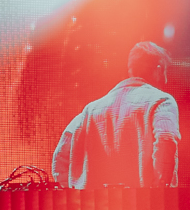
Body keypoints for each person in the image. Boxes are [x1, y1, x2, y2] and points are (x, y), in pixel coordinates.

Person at [50, 41, 181, 189]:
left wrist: (72, 193)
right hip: (143, 201)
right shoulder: (161, 101)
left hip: (94, 203)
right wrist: (160, 190)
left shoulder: (91, 110)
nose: (165, 79)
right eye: (165, 72)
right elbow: (166, 140)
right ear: (158, 70)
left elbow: (60, 157)